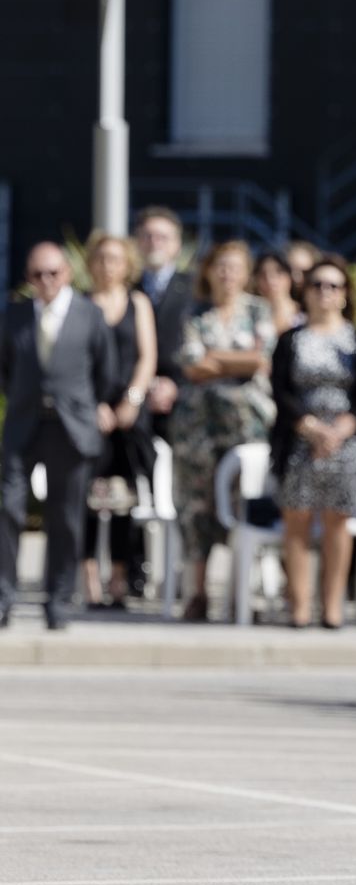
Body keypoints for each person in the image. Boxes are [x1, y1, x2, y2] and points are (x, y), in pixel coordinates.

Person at [0, 243, 117, 629]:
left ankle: (58, 600)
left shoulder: (89, 315)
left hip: (71, 427)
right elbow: (5, 368)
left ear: (67, 273)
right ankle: (4, 597)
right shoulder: (14, 315)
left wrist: (90, 406)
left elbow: (106, 370)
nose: (46, 282)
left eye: (53, 273)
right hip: (23, 425)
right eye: (37, 275)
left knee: (65, 517)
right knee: (8, 508)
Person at [171, 240, 278, 622]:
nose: (227, 274)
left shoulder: (259, 310)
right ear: (208, 271)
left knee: (245, 506)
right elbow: (191, 365)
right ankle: (197, 594)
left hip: (247, 427)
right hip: (197, 430)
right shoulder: (195, 313)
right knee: (197, 508)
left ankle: (241, 597)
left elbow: (263, 359)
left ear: (246, 273)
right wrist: (238, 362)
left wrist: (214, 357)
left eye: (234, 267)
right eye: (220, 266)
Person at [269, 257, 356, 630]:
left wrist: (342, 428)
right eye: (317, 285)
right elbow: (280, 389)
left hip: (344, 443)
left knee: (337, 522)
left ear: (345, 294)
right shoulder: (291, 339)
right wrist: (310, 427)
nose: (324, 292)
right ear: (305, 292)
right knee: (296, 520)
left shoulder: (354, 340)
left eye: (333, 286)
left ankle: (332, 608)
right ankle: (299, 607)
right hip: (300, 440)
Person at [80, 233, 158, 610]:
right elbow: (73, 362)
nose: (107, 266)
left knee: (125, 500)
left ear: (127, 264)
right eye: (101, 259)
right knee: (88, 500)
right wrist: (93, 406)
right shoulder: (80, 305)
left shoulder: (138, 303)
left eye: (115, 259)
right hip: (89, 416)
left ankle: (119, 581)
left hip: (129, 418)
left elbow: (147, 357)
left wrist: (132, 399)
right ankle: (89, 581)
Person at [133, 206, 194, 444]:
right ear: (137, 242)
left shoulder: (196, 289)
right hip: (135, 401)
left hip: (185, 400)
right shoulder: (125, 289)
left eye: (163, 237)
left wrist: (175, 385)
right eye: (147, 236)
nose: (154, 243)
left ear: (177, 244)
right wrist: (142, 386)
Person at [252, 251, 303, 337]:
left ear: (289, 275)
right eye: (263, 274)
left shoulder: (304, 313)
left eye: (278, 272)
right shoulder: (252, 315)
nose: (270, 280)